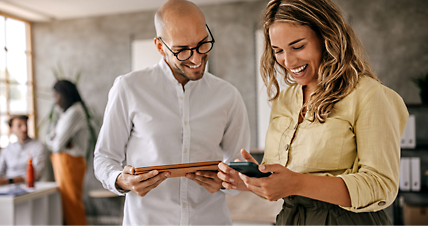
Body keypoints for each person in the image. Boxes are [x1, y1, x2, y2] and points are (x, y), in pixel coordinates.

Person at [218, 0, 409, 225]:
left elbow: (381, 186)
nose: (288, 61)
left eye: (298, 46)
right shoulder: (285, 99)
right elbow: (284, 181)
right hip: (291, 219)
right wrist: (250, 181)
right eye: (278, 51)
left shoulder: (369, 95)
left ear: (327, 37)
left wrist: (297, 183)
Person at [94, 0, 251, 225]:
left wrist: (227, 182)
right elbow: (104, 158)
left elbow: (238, 167)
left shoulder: (229, 96)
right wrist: (121, 180)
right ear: (160, 47)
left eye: (202, 44)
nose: (196, 59)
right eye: (182, 51)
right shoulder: (129, 88)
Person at [45, 79, 90, 226]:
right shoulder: (67, 113)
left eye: (57, 96)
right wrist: (58, 142)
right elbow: (51, 137)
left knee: (72, 205)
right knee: (67, 205)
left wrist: (56, 141)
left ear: (65, 95)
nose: (56, 101)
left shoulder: (75, 112)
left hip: (70, 163)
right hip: (64, 162)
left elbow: (56, 144)